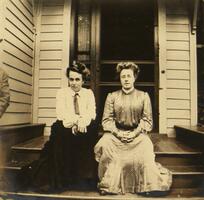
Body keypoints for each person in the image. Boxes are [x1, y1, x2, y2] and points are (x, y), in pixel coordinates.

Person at [94, 62, 172, 195]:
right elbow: (106, 121)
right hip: (116, 135)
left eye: (129, 76)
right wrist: (118, 133)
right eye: (123, 76)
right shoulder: (112, 96)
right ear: (119, 78)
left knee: (146, 144)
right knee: (104, 142)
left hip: (137, 136)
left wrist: (134, 133)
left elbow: (147, 121)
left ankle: (147, 185)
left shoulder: (143, 96)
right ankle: (109, 184)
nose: (126, 79)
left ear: (134, 77)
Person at [18, 61, 97, 192]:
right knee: (60, 132)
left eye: (77, 79)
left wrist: (82, 122)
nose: (74, 83)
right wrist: (77, 121)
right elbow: (61, 114)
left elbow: (91, 113)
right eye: (71, 79)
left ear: (83, 80)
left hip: (83, 126)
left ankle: (83, 178)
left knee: (90, 131)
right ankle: (63, 179)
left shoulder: (88, 94)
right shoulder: (62, 93)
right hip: (67, 126)